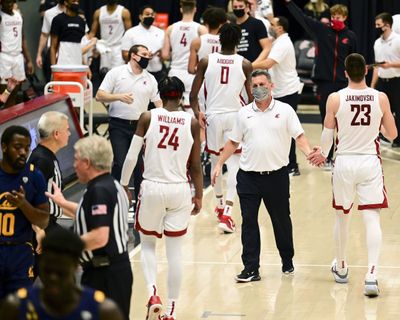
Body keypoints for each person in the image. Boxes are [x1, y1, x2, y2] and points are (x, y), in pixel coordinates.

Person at [308, 53, 398, 297]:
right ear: (366, 72)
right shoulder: (381, 98)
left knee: (342, 217)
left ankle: (342, 266)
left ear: (345, 72)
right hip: (369, 161)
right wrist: (378, 123)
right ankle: (371, 275)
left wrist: (321, 154)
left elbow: (327, 137)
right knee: (372, 218)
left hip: (344, 162)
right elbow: (392, 134)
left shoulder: (335, 98)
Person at [212, 69, 312, 282]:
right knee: (249, 221)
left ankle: (287, 260)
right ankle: (251, 268)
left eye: (262, 84)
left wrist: (309, 153)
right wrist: (219, 163)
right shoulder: (244, 113)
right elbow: (233, 141)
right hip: (248, 177)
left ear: (271, 86)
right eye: (254, 85)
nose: (258, 89)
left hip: (276, 177)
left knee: (281, 221)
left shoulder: (285, 111)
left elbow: (299, 136)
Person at [120, 76, 203, 320]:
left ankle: (152, 293)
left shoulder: (148, 117)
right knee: (175, 252)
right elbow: (196, 165)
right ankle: (171, 311)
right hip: (179, 189)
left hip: (153, 187)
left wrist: (124, 184)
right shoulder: (192, 122)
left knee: (147, 244)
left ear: (162, 94)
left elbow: (131, 157)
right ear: (181, 95)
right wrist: (199, 195)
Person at [46, 135, 132, 319]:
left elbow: (100, 236)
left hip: (106, 275)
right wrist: (62, 203)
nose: (74, 165)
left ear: (87, 162)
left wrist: (63, 249)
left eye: (76, 160)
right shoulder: (110, 184)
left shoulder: (99, 190)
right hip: (110, 272)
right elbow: (89, 215)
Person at [190, 23, 253, 233]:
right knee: (236, 167)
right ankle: (227, 212)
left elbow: (193, 95)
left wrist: (197, 111)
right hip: (235, 116)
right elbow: (251, 97)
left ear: (219, 40)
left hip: (213, 117)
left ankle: (218, 204)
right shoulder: (245, 64)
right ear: (238, 42)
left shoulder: (207, 61)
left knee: (216, 162)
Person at [283, 0, 358, 167]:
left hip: (343, 84)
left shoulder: (351, 37)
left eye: (338, 17)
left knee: (345, 122)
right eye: (333, 16)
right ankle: (328, 157)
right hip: (324, 84)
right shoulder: (322, 31)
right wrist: (289, 3)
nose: (335, 19)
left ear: (345, 17)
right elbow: (302, 18)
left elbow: (355, 62)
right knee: (327, 121)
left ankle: (345, 155)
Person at [0, 228, 124, 320]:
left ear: (76, 266)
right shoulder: (15, 306)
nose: (53, 278)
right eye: (48, 271)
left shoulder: (104, 311)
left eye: (60, 273)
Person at [96, 44, 162, 206]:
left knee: (140, 164)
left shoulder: (150, 78)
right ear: (133, 56)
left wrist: (165, 116)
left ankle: (141, 199)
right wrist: (119, 97)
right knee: (120, 161)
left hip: (140, 127)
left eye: (149, 54)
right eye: (144, 54)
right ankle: (117, 197)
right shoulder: (117, 73)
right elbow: (99, 95)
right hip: (118, 124)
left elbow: (158, 102)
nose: (148, 57)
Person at [0, 126, 49, 299]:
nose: (23, 152)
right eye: (17, 147)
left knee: (19, 309)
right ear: (4, 147)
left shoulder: (35, 176)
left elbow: (44, 221)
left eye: (27, 147)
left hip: (20, 253)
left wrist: (23, 204)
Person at [253, 16, 302, 176]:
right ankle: (282, 162)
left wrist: (246, 64)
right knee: (277, 129)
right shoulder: (276, 42)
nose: (270, 27)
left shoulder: (283, 43)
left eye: (272, 24)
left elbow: (268, 63)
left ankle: (292, 165)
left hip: (287, 91)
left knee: (288, 129)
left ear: (280, 28)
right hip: (280, 90)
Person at [161, 0, 207, 111]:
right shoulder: (201, 29)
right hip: (193, 74)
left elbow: (165, 55)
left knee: (173, 111)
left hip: (175, 72)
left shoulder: (170, 28)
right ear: (195, 9)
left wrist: (177, 52)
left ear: (181, 9)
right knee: (193, 110)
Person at [371, 13, 400, 148]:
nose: (376, 27)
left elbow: (389, 63)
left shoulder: (398, 40)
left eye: (379, 25)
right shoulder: (377, 42)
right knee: (381, 112)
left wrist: (391, 65)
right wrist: (372, 85)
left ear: (387, 25)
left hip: (396, 81)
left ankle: (398, 140)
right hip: (383, 82)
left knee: (398, 111)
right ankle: (384, 137)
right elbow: (377, 66)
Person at [0, 0, 34, 108]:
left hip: (18, 56)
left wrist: (29, 60)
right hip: (4, 56)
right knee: (4, 92)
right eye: (7, 2)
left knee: (14, 91)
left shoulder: (18, 15)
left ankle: (10, 118)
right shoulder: (0, 16)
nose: (9, 4)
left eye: (11, 1)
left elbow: (23, 39)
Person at [121, 5, 165, 81]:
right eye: (147, 14)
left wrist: (163, 54)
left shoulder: (161, 33)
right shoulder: (130, 33)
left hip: (157, 73)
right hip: (137, 73)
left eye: (152, 14)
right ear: (140, 16)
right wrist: (142, 56)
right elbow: (124, 55)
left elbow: (166, 54)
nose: (150, 16)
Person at [89, 0, 132, 71]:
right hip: (104, 47)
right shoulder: (99, 12)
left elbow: (129, 33)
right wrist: (86, 44)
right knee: (104, 73)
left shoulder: (124, 12)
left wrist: (128, 50)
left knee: (118, 73)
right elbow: (92, 33)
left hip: (118, 47)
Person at [188, 7, 227, 75]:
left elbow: (191, 69)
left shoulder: (197, 42)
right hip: (221, 81)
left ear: (206, 23)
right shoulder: (228, 42)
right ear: (222, 23)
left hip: (204, 82)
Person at [231, 0, 271, 64]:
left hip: (256, 67)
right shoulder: (231, 26)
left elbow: (267, 48)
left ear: (247, 7)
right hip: (238, 67)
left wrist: (253, 65)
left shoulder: (257, 23)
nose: (238, 9)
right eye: (235, 7)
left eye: (241, 6)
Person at [36, 0, 65, 82]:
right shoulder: (49, 13)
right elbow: (44, 34)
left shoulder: (75, 12)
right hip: (53, 51)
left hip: (70, 52)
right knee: (52, 80)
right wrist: (39, 54)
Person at [50, 0, 86, 65]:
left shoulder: (81, 21)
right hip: (63, 62)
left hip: (78, 63)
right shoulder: (57, 20)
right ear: (66, 2)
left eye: (77, 1)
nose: (76, 3)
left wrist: (86, 66)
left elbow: (80, 47)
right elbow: (53, 47)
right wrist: (53, 69)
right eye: (73, 1)